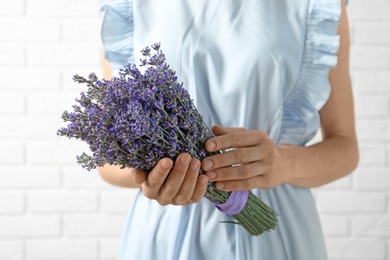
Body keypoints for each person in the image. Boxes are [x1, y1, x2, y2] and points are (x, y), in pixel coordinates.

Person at [98, 0, 358, 259]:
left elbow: (345, 147)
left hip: (277, 231)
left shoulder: (317, 4)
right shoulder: (130, 5)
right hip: (166, 230)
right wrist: (152, 177)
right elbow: (107, 161)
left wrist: (281, 164)